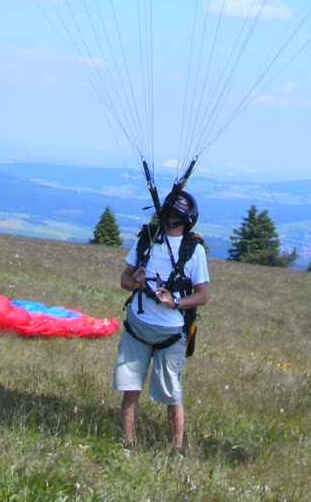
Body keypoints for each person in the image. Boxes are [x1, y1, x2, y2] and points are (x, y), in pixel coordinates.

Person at [113, 188, 209, 454]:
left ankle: (176, 449)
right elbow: (124, 279)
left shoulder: (193, 250)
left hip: (171, 334)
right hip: (137, 327)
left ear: (186, 223)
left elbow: (202, 295)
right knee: (130, 387)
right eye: (167, 221)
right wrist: (133, 282)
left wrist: (175, 302)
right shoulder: (147, 239)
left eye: (175, 223)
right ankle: (128, 445)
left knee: (172, 394)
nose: (170, 227)